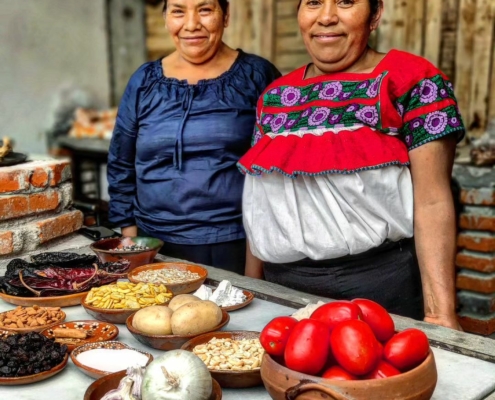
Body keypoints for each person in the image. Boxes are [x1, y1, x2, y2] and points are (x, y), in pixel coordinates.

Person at [238, 0, 463, 329]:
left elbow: (432, 201)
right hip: (281, 287)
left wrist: (440, 314)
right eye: (313, 3)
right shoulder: (275, 97)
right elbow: (262, 208)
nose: (326, 17)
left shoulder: (413, 82)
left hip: (378, 287)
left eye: (346, 2)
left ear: (375, 15)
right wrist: (252, 291)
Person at [107, 0, 280, 275]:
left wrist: (254, 272)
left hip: (233, 243)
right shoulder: (143, 81)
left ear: (225, 16)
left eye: (205, 9)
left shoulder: (257, 76)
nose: (191, 24)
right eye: (178, 11)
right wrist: (132, 247)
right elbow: (121, 164)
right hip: (153, 243)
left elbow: (272, 177)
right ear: (165, 18)